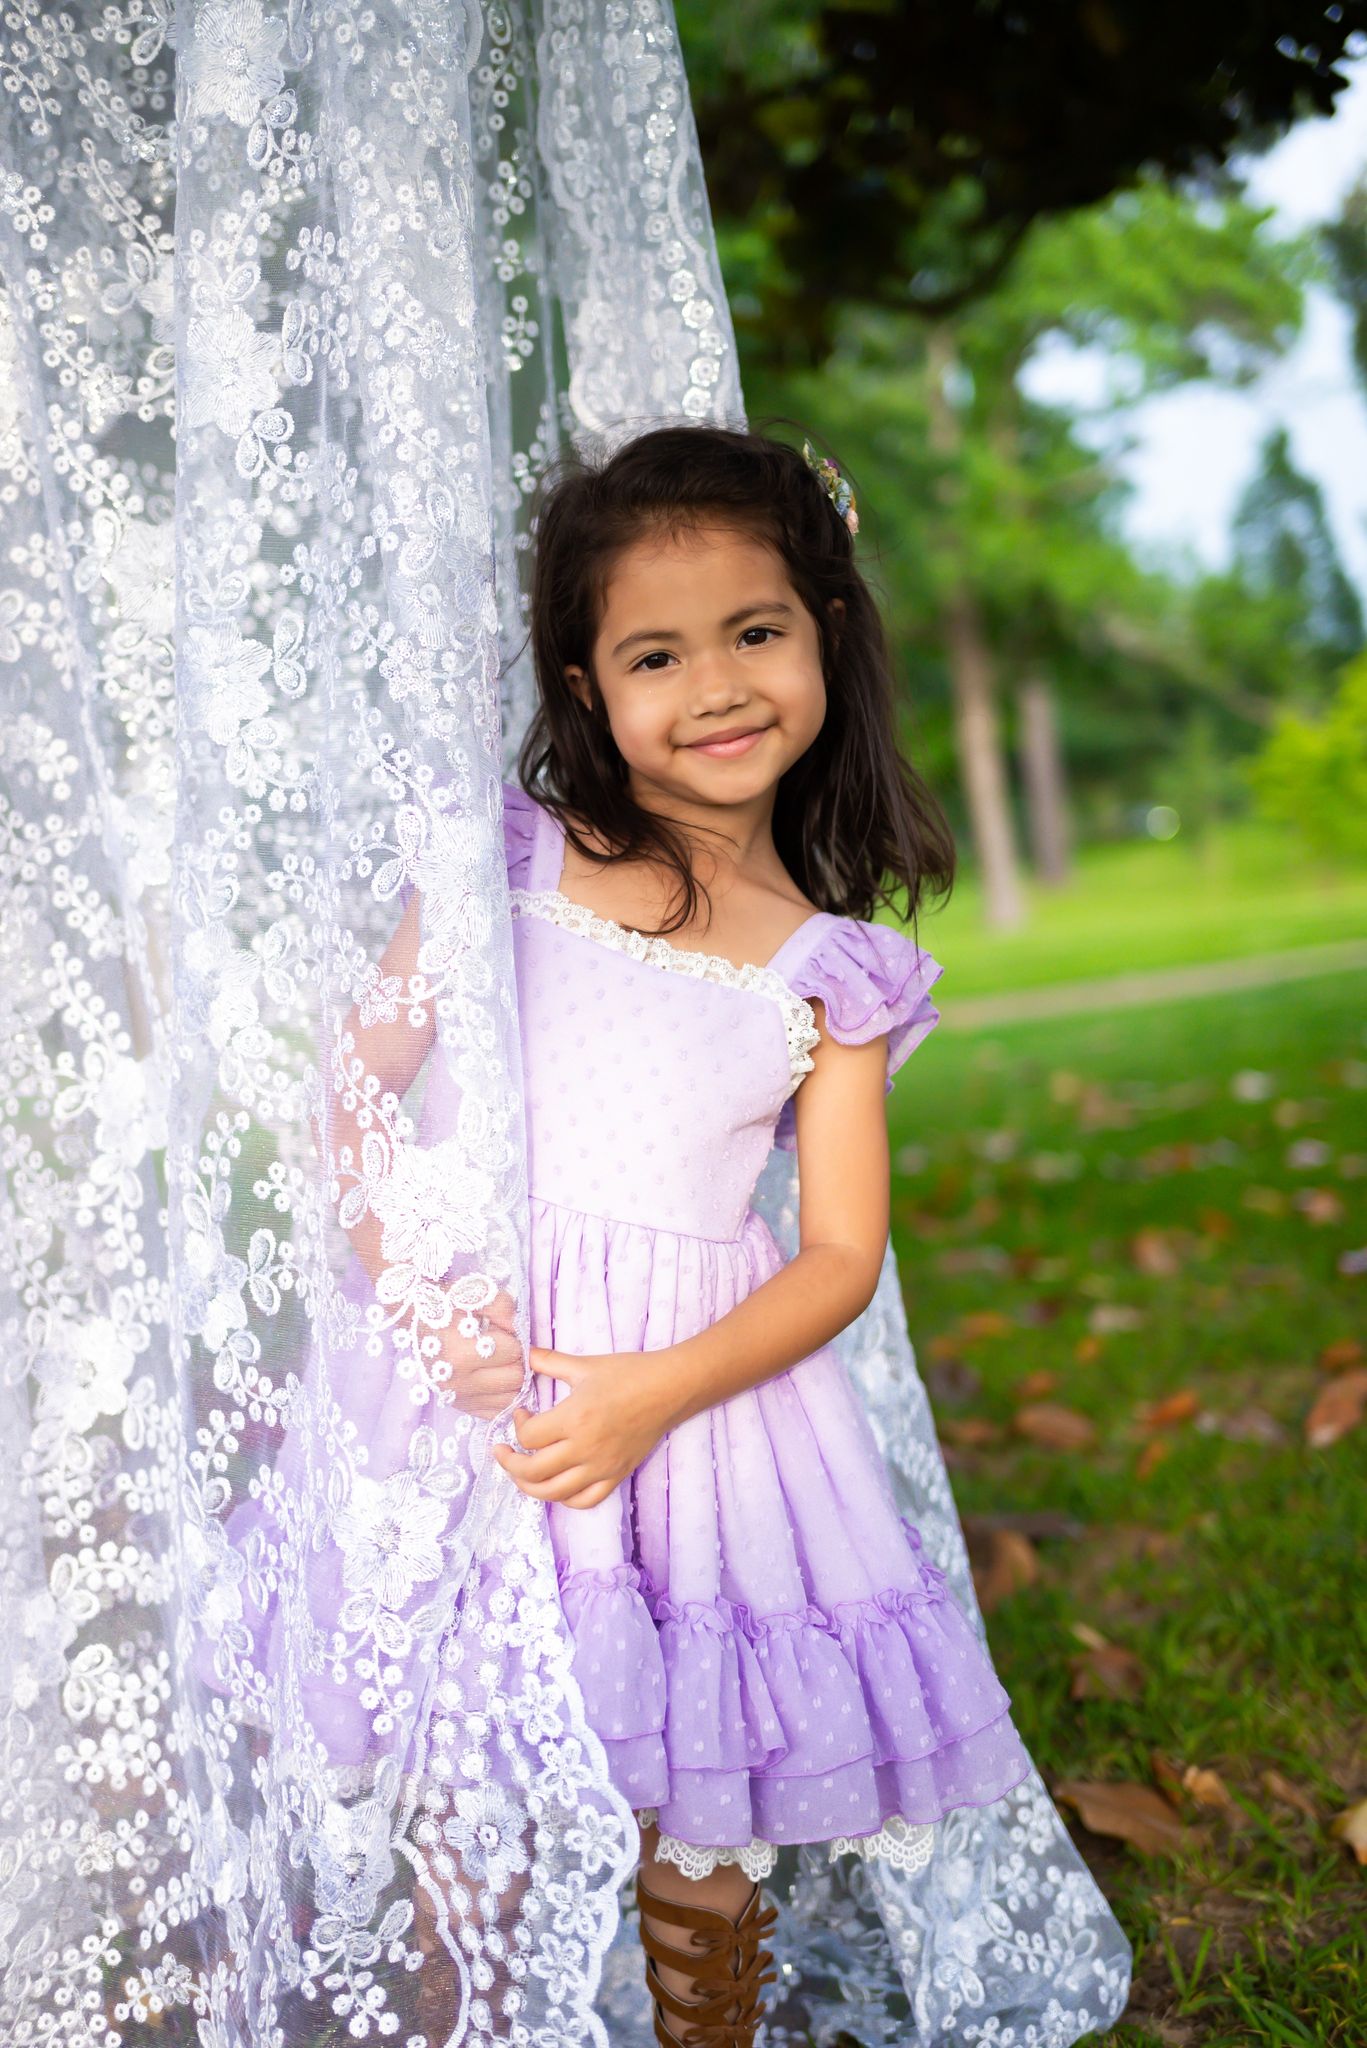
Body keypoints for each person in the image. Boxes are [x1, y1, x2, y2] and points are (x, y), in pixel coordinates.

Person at [456, 421, 1032, 2046]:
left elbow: (841, 1257)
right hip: (496, 1379)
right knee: (486, 1743)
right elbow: (366, 1084)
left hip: (696, 1414)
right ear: (585, 689)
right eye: (656, 653)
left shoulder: (833, 970)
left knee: (696, 1798)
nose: (714, 686)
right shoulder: (517, 862)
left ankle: (704, 2018)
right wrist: (418, 1298)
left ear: (827, 636)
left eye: (755, 633)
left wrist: (649, 1393)